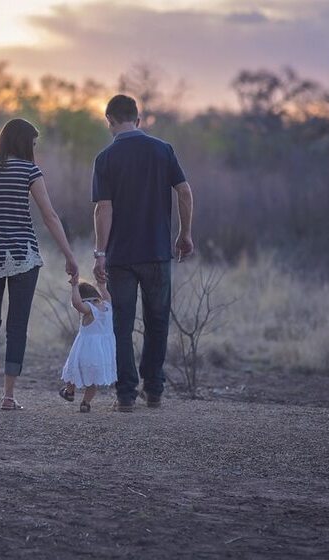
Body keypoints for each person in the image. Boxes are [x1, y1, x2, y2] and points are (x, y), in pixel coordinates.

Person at [0, 118, 79, 410]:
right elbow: (49, 216)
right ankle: (8, 396)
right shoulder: (29, 171)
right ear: (24, 143)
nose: (34, 149)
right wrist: (69, 255)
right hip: (23, 256)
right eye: (33, 143)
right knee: (17, 326)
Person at [91, 94, 194, 412]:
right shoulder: (163, 150)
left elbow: (103, 209)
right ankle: (154, 390)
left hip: (121, 256)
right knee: (157, 321)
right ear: (138, 119)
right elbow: (184, 192)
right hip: (157, 252)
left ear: (109, 120)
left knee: (122, 324)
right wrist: (184, 233)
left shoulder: (105, 158)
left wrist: (100, 253)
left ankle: (125, 395)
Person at [58, 279, 117, 412]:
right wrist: (101, 285)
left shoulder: (89, 309)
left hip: (85, 350)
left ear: (84, 299)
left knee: (73, 370)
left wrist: (74, 287)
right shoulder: (108, 305)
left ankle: (69, 391)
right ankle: (85, 402)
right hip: (102, 353)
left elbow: (77, 303)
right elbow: (106, 295)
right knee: (93, 379)